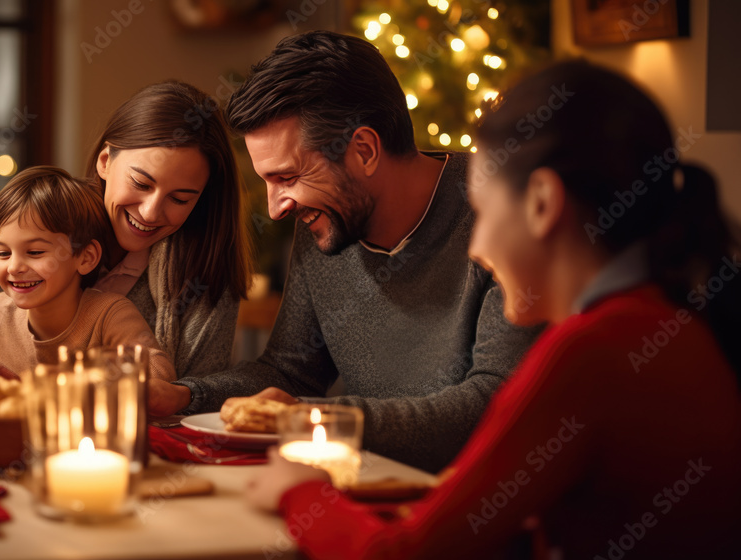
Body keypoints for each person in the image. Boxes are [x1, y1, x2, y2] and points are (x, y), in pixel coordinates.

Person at [246, 60, 741, 559]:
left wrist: (300, 491)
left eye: (482, 213)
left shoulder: (589, 354)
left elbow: (402, 556)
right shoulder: (667, 323)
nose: (476, 247)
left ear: (542, 204)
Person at [149, 30, 540, 473]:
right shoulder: (328, 223)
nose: (276, 208)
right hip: (368, 490)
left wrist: (313, 419)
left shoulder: (500, 213)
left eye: (287, 177)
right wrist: (183, 394)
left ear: (365, 150)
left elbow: (495, 404)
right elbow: (290, 373)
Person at [0, 81, 255, 397]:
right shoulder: (42, 229)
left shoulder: (205, 274)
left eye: (180, 198)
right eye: (141, 182)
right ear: (105, 161)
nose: (152, 212)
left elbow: (202, 397)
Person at [0, 165, 174, 381]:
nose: (14, 267)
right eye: (3, 253)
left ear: (86, 257)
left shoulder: (109, 315)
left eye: (35, 252)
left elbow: (161, 375)